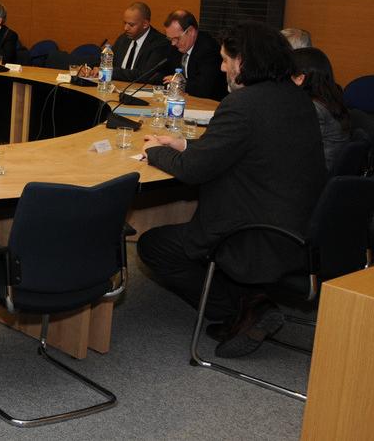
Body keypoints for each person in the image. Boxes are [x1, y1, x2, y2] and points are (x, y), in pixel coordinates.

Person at [138, 21, 326, 358]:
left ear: (243, 61)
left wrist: (155, 151)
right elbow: (243, 148)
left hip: (256, 234)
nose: (222, 68)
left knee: (154, 246)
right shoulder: (295, 98)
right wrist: (183, 144)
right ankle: (250, 301)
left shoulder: (243, 104)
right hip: (299, 226)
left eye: (226, 60)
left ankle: (244, 309)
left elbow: (193, 171)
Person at [292, 47, 354, 174]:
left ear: (300, 78)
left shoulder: (314, 108)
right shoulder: (329, 98)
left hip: (316, 173)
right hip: (325, 168)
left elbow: (297, 148)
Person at [162, 10, 227, 101]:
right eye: (170, 39)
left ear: (191, 31)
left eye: (176, 38)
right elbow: (165, 76)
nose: (173, 43)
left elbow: (203, 89)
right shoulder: (176, 47)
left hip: (210, 104)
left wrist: (180, 83)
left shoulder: (209, 49)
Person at [108, 2, 173, 83]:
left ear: (145, 24)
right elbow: (108, 62)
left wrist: (110, 71)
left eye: (131, 25)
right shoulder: (123, 39)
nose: (125, 28)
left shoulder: (160, 43)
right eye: (125, 23)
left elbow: (144, 75)